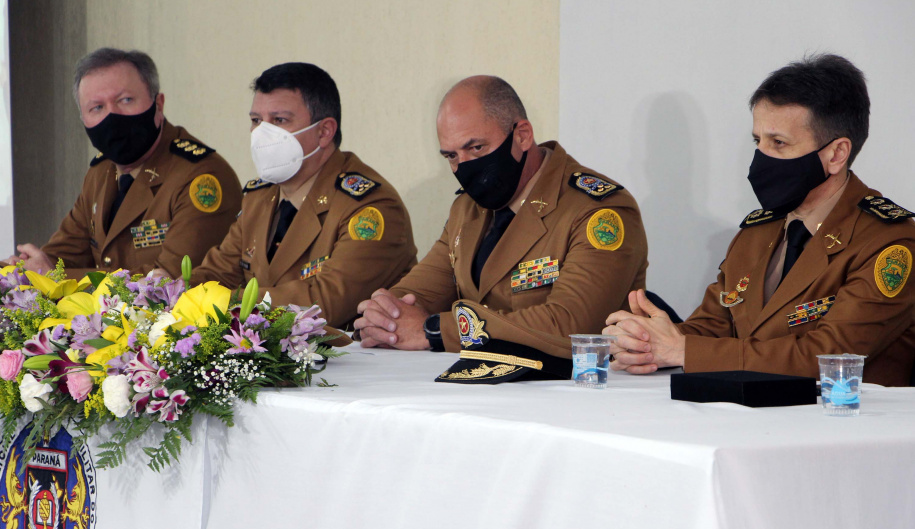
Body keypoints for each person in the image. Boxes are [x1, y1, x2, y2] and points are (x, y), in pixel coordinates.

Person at [604, 54, 915, 387]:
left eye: (778, 143)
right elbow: (712, 328)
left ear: (836, 154)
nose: (761, 158)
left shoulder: (890, 243)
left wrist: (682, 350)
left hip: (845, 425)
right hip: (751, 421)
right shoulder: (758, 231)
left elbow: (830, 356)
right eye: (758, 141)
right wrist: (646, 341)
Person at [355, 75, 648, 353]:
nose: (464, 167)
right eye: (452, 156)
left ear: (522, 136)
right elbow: (416, 294)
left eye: (476, 148)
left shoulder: (598, 210)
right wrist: (383, 315)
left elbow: (570, 325)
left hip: (575, 391)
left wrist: (436, 330)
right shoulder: (467, 210)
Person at [186, 63, 417, 329]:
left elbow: (325, 304)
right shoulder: (259, 196)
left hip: (350, 362)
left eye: (279, 120)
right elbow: (217, 273)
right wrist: (169, 293)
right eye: (256, 120)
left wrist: (219, 301)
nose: (261, 133)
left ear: (324, 132)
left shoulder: (369, 206)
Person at [3, 48, 241, 279]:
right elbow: (62, 256)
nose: (112, 117)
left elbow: (168, 284)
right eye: (97, 107)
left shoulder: (201, 177)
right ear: (83, 119)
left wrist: (56, 278)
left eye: (125, 100)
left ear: (158, 104)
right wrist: (22, 271)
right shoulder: (101, 171)